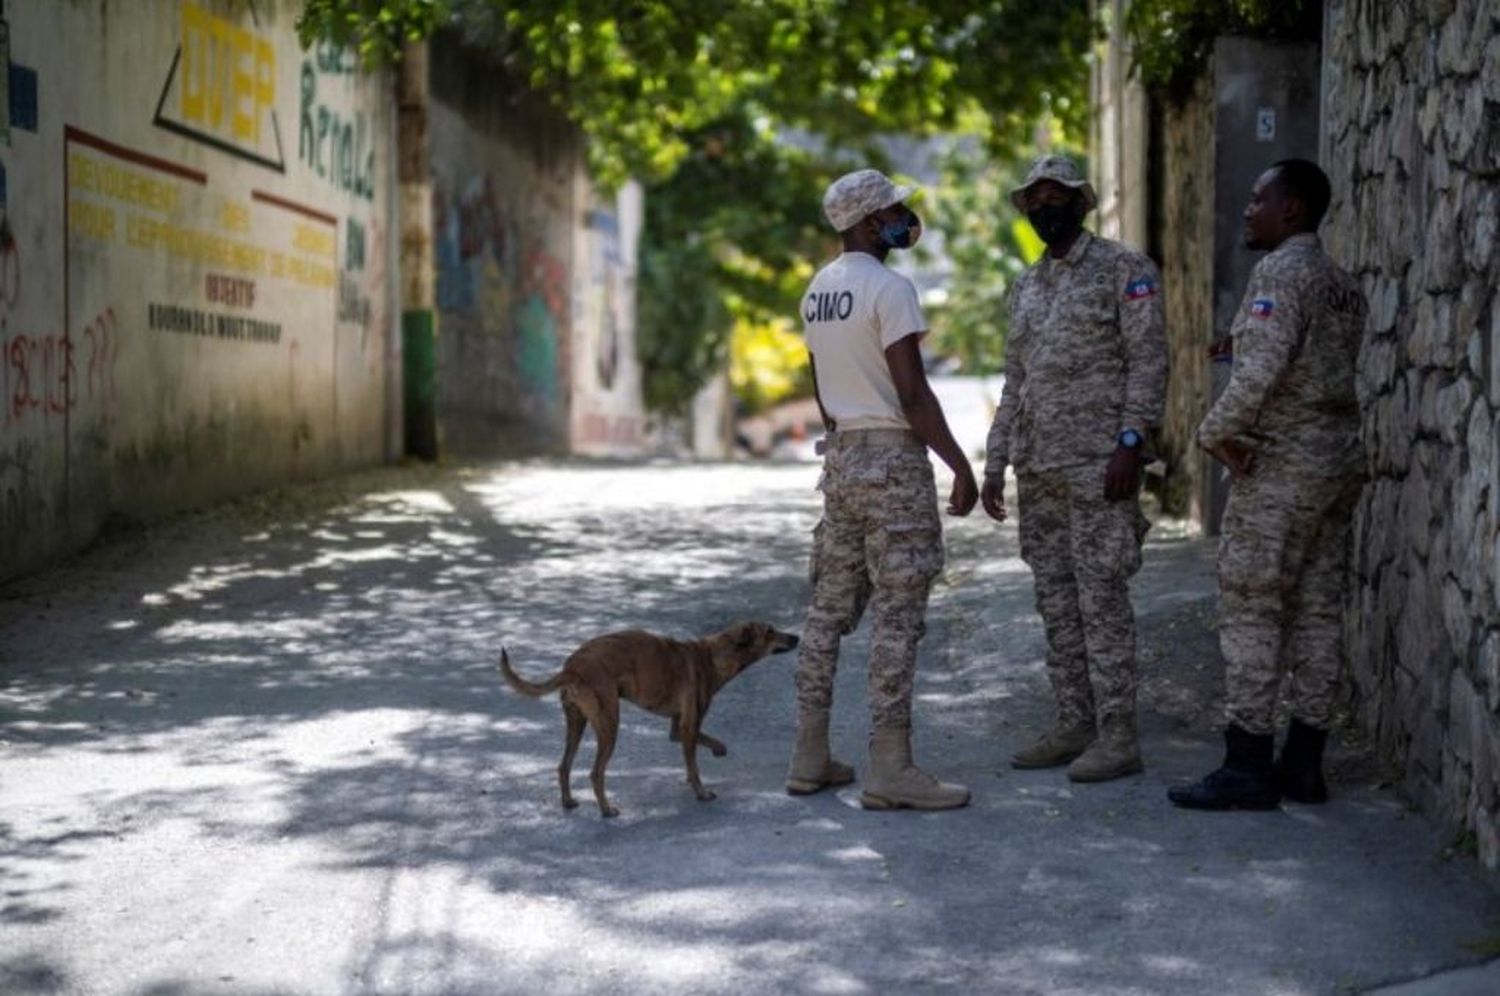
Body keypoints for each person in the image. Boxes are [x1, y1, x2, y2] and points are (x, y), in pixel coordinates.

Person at [1169, 159, 1367, 810]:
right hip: (1337, 461)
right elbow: (1307, 362)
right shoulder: (1340, 283)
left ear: (1294, 211)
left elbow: (1261, 378)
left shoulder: (1280, 271)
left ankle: (1248, 764)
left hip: (1282, 465)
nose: (1248, 209)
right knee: (1316, 610)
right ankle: (1304, 765)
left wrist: (1210, 433)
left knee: (1253, 608)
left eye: (1260, 199)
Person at [786, 168, 978, 811]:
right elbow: (914, 395)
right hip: (895, 464)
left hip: (840, 461)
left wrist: (849, 439)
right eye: (894, 209)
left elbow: (821, 392)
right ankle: (890, 767)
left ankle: (808, 754)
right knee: (898, 615)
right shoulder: (891, 289)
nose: (904, 216)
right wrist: (959, 464)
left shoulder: (819, 291)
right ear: (869, 221)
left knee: (828, 610)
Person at [981, 154, 1168, 783]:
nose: (1042, 208)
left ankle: (1118, 735)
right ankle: (1073, 721)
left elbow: (1148, 360)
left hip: (1099, 467)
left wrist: (1130, 442)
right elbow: (1016, 380)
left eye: (1054, 196)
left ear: (1082, 203)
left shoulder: (1124, 270)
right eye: (1032, 200)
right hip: (1039, 472)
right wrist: (995, 460)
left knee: (1102, 599)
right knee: (1056, 603)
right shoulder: (1027, 285)